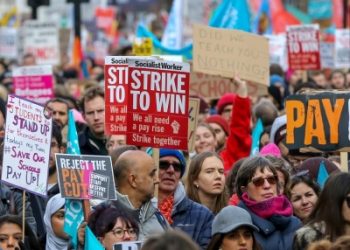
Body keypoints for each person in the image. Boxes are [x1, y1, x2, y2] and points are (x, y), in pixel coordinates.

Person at [235, 156, 301, 250]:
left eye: (271, 179)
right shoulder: (236, 223)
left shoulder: (295, 223)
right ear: (244, 190)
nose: (267, 185)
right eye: (258, 181)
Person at [155, 148, 214, 249]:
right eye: (163, 165)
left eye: (177, 167)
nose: (171, 170)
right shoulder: (135, 209)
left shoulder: (203, 216)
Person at [110, 150, 168, 240]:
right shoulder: (102, 218)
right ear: (133, 180)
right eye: (152, 174)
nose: (157, 180)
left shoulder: (157, 216)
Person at [293, 172, 350, 250]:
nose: (304, 202)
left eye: (309, 195)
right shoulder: (309, 236)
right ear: (336, 201)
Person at [78, 86, 107, 155]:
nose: (96, 117)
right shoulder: (76, 145)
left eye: (100, 111)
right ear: (84, 116)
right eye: (90, 113)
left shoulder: (125, 141)